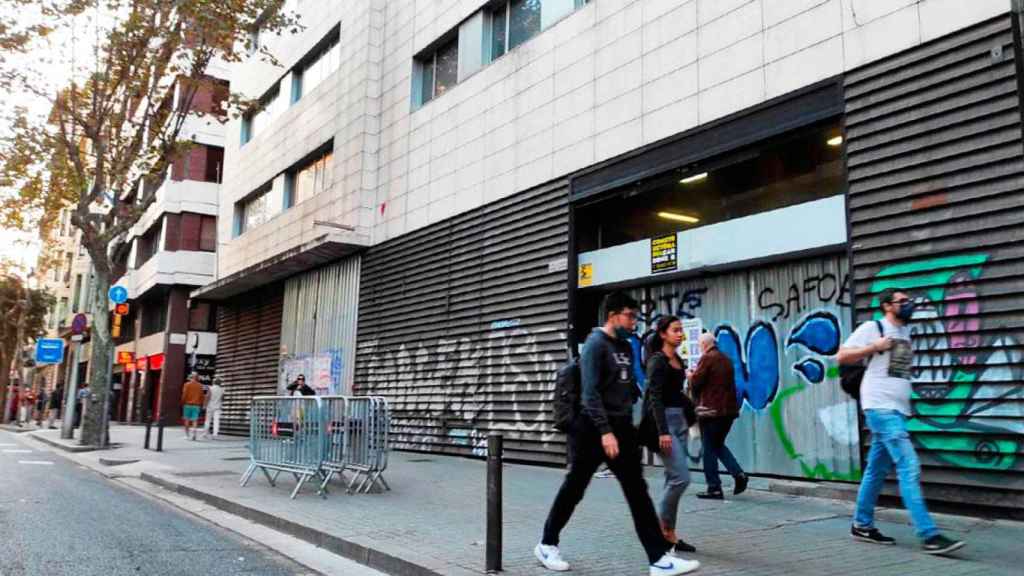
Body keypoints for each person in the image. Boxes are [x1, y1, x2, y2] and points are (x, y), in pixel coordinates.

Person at [535, 292, 699, 576]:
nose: (634, 322)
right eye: (630, 316)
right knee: (575, 487)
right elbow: (589, 393)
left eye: (635, 316)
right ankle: (547, 544)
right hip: (593, 428)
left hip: (621, 428)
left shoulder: (624, 345)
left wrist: (623, 428)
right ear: (613, 315)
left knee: (638, 491)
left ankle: (659, 559)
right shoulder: (596, 345)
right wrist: (605, 432)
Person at [837, 288, 965, 556]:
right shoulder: (874, 327)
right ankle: (929, 535)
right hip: (879, 407)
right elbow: (842, 355)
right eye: (902, 301)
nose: (908, 305)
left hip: (896, 409)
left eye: (909, 300)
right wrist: (874, 347)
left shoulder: (905, 332)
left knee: (876, 470)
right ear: (887, 306)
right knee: (909, 465)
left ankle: (861, 524)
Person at [643, 315, 697, 555]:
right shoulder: (658, 361)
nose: (680, 333)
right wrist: (662, 431)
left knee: (672, 477)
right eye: (675, 330)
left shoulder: (679, 360)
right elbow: (654, 397)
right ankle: (661, 532)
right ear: (663, 334)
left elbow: (676, 394)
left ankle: (670, 533)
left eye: (681, 330)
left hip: (680, 423)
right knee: (681, 479)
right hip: (663, 424)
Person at [688, 333, 747, 499]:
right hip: (728, 412)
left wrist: (690, 376)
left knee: (709, 450)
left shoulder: (707, 359)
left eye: (700, 345)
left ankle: (714, 487)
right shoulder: (726, 359)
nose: (699, 347)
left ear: (705, 345)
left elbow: (696, 383)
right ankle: (739, 474)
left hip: (711, 413)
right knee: (718, 445)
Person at [181, 372, 205, 441]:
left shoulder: (187, 384)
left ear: (191, 377)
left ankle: (187, 435)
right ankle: (194, 435)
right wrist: (201, 403)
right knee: (195, 420)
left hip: (187, 404)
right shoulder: (200, 386)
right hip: (196, 405)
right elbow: (202, 396)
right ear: (197, 378)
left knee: (187, 419)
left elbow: (184, 394)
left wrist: (182, 402)